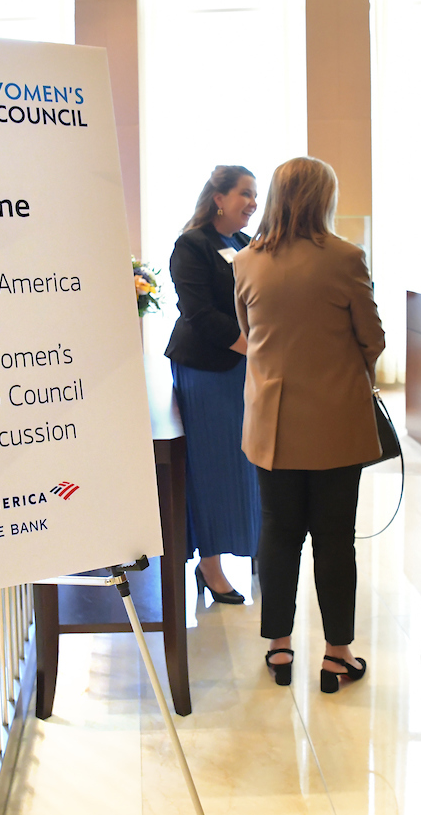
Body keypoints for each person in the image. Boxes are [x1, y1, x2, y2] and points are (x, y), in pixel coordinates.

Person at [233, 157, 385, 692]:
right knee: (335, 538)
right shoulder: (345, 257)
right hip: (336, 419)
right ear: (325, 199)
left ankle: (279, 646)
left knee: (277, 531)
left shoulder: (246, 261)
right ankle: (337, 655)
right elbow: (372, 338)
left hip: (271, 423)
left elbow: (249, 333)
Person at [165, 165, 262, 605]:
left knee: (248, 464)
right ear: (219, 198)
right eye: (245, 193)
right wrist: (254, 348)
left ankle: (254, 545)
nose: (253, 203)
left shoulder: (244, 243)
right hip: (207, 371)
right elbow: (200, 314)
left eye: (255, 195)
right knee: (213, 467)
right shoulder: (192, 244)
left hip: (246, 367)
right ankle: (210, 565)